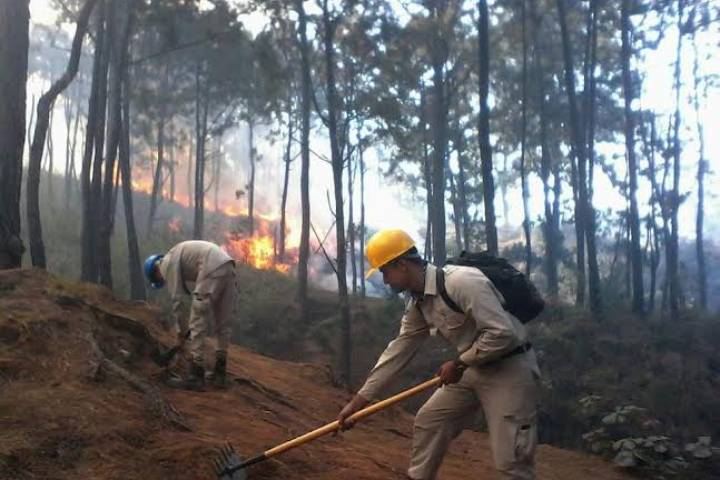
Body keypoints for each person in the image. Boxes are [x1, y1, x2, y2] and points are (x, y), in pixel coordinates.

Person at [338, 229, 540, 479]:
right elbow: (398, 351)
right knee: (430, 421)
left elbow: (502, 333)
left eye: (385, 271)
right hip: (472, 369)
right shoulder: (418, 302)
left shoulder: (461, 282)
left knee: (511, 461)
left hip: (509, 369)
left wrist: (459, 362)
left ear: (402, 264)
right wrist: (358, 402)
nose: (386, 280)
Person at [144, 240, 237, 391]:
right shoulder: (177, 256)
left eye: (159, 280)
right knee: (223, 321)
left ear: (155, 272)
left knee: (197, 318)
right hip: (228, 265)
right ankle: (220, 374)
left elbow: (178, 301)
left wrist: (180, 333)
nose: (163, 281)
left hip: (212, 265)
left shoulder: (166, 265)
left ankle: (196, 376)